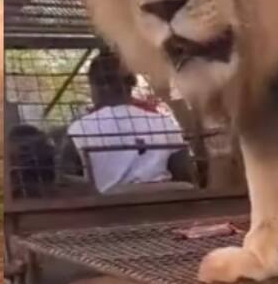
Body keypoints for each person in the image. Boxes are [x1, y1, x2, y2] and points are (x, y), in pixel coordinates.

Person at [66, 52, 190, 193]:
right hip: (164, 205)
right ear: (131, 83)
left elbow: (67, 181)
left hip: (109, 210)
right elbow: (184, 174)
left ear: (97, 86)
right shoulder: (162, 121)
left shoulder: (79, 129)